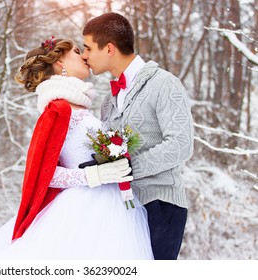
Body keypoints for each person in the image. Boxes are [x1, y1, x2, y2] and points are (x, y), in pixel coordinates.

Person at [0, 37, 153, 259]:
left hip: (113, 207)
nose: (84, 55)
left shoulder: (80, 106)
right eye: (76, 51)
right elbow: (43, 174)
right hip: (82, 211)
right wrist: (94, 174)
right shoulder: (58, 110)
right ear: (59, 63)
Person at [82, 12, 194, 260]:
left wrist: (129, 167)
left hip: (161, 204)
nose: (84, 56)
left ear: (109, 48)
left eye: (88, 48)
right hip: (120, 209)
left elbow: (181, 144)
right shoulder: (109, 101)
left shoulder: (164, 84)